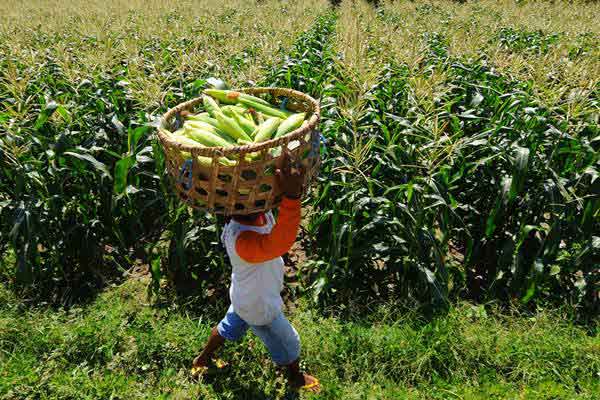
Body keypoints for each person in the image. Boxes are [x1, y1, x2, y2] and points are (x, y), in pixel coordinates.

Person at [191, 151, 320, 393]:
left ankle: (202, 359)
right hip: (260, 304)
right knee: (288, 341)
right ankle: (295, 377)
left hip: (243, 295)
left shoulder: (250, 216)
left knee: (228, 326)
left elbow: (270, 206)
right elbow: (280, 243)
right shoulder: (245, 242)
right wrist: (292, 197)